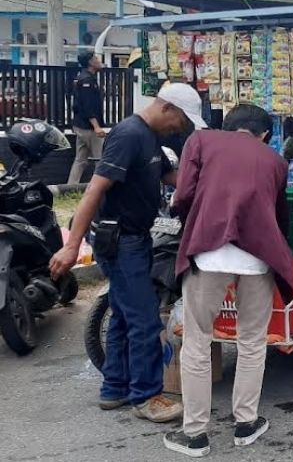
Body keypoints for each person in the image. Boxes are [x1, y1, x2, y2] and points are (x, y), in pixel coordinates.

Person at [49, 82, 204, 423]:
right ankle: (147, 397)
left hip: (134, 237)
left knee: (121, 314)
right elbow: (94, 189)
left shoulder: (151, 139)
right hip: (121, 240)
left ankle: (114, 388)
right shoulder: (129, 135)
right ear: (167, 108)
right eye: (181, 121)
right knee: (145, 319)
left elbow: (173, 178)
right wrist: (72, 245)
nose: (181, 128)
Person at [164, 104, 293, 457]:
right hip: (259, 257)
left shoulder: (201, 141)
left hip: (209, 250)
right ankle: (246, 424)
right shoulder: (275, 161)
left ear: (228, 125)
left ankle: (195, 435)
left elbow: (184, 195)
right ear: (264, 134)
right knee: (252, 342)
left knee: (197, 341)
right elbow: (279, 215)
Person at [69, 51, 106, 185]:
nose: (98, 60)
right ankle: (99, 189)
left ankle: (70, 187)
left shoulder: (83, 77)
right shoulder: (87, 80)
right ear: (90, 62)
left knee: (80, 159)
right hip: (88, 127)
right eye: (96, 58)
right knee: (100, 159)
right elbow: (88, 106)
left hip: (81, 126)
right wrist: (96, 127)